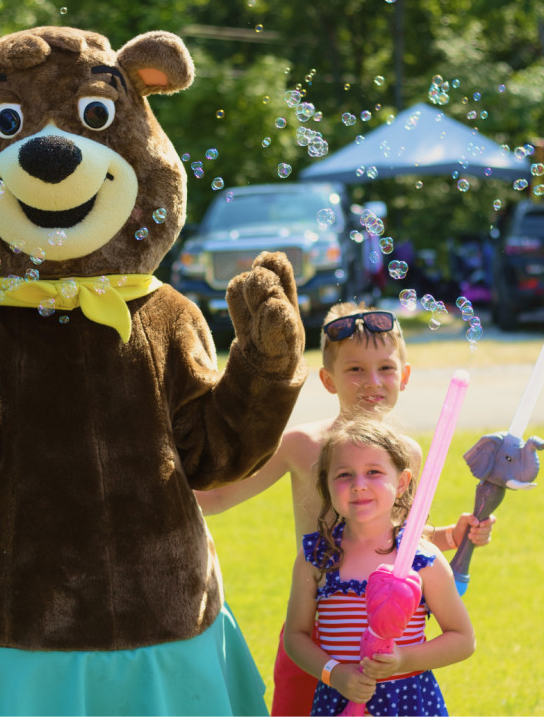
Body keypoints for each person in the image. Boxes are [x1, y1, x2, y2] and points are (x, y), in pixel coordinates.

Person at [195, 302, 494, 716]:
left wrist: (450, 536)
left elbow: (405, 537)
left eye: (386, 368)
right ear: (328, 379)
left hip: (389, 639)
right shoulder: (302, 445)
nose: (372, 381)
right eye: (354, 369)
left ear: (404, 377)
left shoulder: (406, 452)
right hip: (320, 631)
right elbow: (217, 498)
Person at [284, 418, 474, 715]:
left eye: (373, 472)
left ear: (401, 482)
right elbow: (295, 637)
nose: (359, 485)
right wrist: (334, 673)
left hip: (407, 702)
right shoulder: (316, 556)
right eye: (344, 475)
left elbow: (462, 639)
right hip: (339, 699)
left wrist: (403, 660)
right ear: (326, 485)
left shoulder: (422, 558)